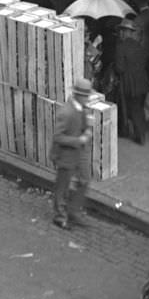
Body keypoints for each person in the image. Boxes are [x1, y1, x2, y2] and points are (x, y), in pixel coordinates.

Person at [50, 77, 94, 230]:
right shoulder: (66, 112)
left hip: (79, 153)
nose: (88, 99)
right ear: (79, 96)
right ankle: (60, 216)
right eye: (86, 96)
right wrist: (78, 140)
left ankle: (73, 211)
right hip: (66, 154)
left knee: (84, 180)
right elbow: (58, 137)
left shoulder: (82, 109)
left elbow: (84, 126)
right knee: (62, 186)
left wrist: (87, 129)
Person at [113, 19, 149, 145]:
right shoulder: (139, 45)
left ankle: (136, 133)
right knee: (138, 107)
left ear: (124, 32)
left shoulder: (120, 47)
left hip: (129, 83)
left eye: (121, 31)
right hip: (142, 81)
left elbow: (120, 68)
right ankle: (140, 132)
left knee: (131, 107)